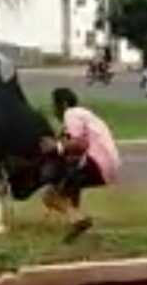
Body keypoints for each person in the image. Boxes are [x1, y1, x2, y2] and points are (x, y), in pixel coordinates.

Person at [41, 87, 122, 243]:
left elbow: (79, 143)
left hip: (98, 161)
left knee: (49, 195)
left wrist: (56, 147)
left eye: (54, 105)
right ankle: (75, 222)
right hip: (109, 165)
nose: (53, 110)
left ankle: (78, 219)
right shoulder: (84, 114)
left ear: (63, 104)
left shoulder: (71, 114)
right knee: (71, 182)